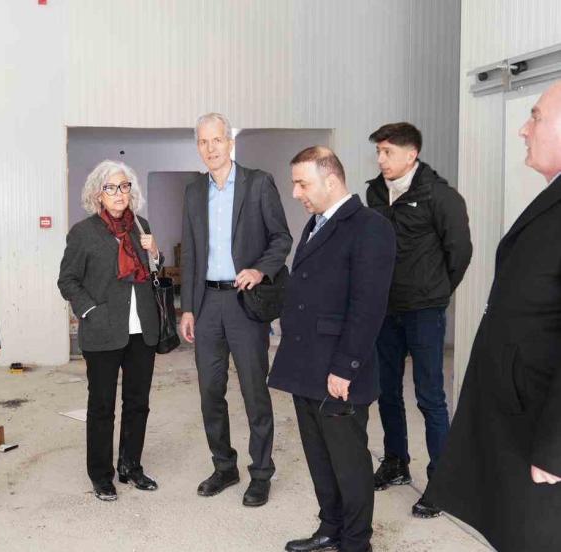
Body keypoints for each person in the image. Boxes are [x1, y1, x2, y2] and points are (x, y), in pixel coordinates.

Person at [424, 81, 561, 552]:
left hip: (539, 425)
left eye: (536, 117)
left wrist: (555, 447)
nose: (524, 129)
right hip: (519, 410)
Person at [269, 146, 395, 552]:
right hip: (306, 364)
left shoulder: (370, 227)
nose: (295, 193)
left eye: (302, 184)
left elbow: (368, 306)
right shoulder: (316, 223)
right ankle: (330, 528)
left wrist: (345, 367)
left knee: (349, 462)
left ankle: (356, 542)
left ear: (332, 180)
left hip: (338, 369)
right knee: (319, 457)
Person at [180, 113, 292, 507]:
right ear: (198, 147)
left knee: (253, 391)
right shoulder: (194, 191)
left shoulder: (258, 183)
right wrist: (187, 308)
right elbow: (190, 253)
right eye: (203, 142)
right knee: (210, 391)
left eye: (217, 140)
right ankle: (224, 466)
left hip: (245, 302)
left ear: (230, 142)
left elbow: (281, 238)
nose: (210, 148)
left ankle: (261, 473)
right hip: (207, 304)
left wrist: (260, 270)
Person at [365, 122, 472, 517]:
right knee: (387, 391)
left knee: (429, 396)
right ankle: (396, 462)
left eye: (388, 152)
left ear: (412, 154)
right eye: (379, 152)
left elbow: (459, 252)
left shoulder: (440, 196)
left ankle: (441, 484)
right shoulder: (375, 192)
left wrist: (436, 291)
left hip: (424, 310)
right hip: (385, 309)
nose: (381, 159)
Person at [58, 160, 162, 501]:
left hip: (141, 329)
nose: (119, 193)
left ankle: (131, 465)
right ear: (97, 194)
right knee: (102, 406)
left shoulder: (141, 226)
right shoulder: (83, 232)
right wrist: (90, 311)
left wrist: (155, 253)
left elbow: (152, 273)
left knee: (138, 403)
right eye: (111, 188)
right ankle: (101, 475)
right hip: (103, 330)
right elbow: (67, 280)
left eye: (125, 186)